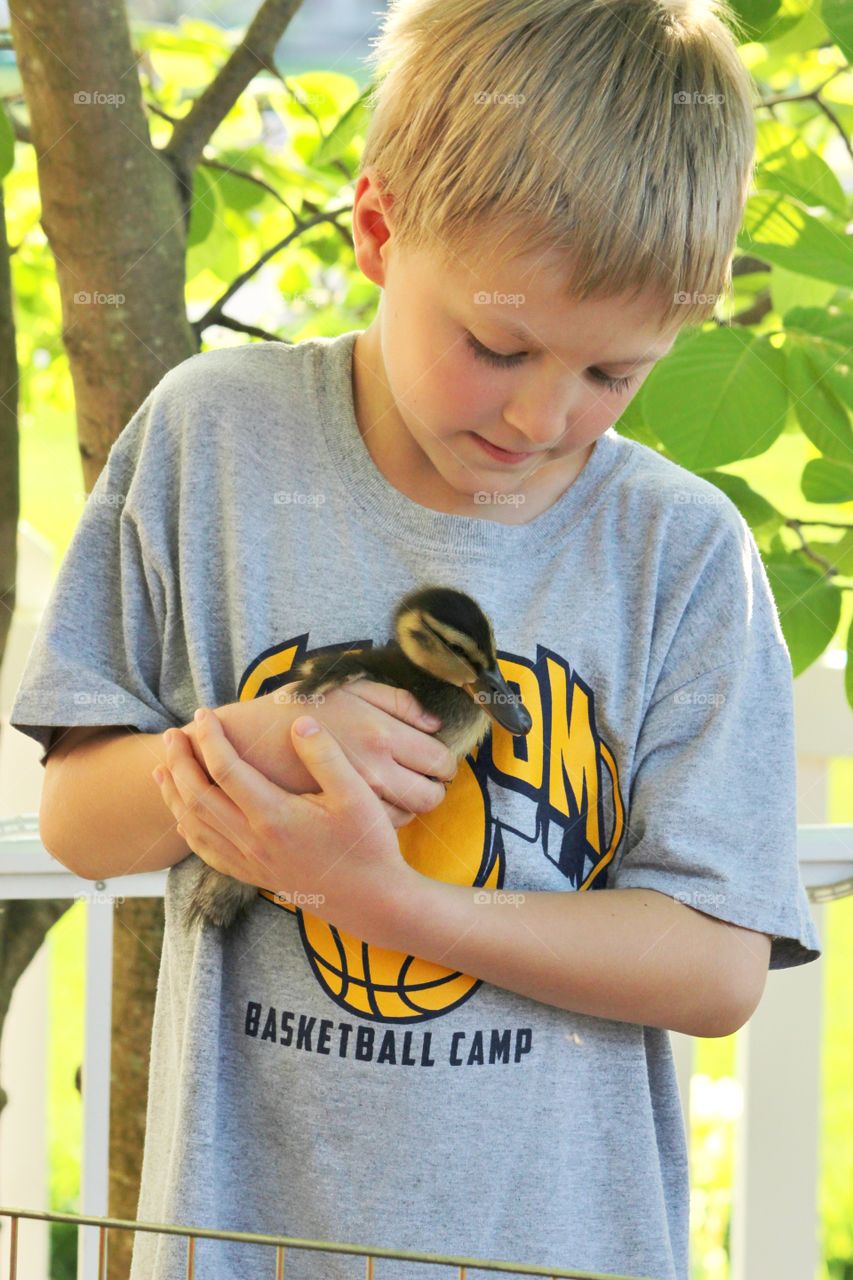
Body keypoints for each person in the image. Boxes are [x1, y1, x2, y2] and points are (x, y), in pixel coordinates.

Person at [10, 0, 822, 1277]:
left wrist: (383, 901)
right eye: (498, 344)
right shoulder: (211, 441)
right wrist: (258, 741)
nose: (543, 416)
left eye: (612, 375)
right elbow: (76, 822)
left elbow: (718, 966)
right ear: (379, 229)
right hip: (246, 1245)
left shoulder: (679, 554)